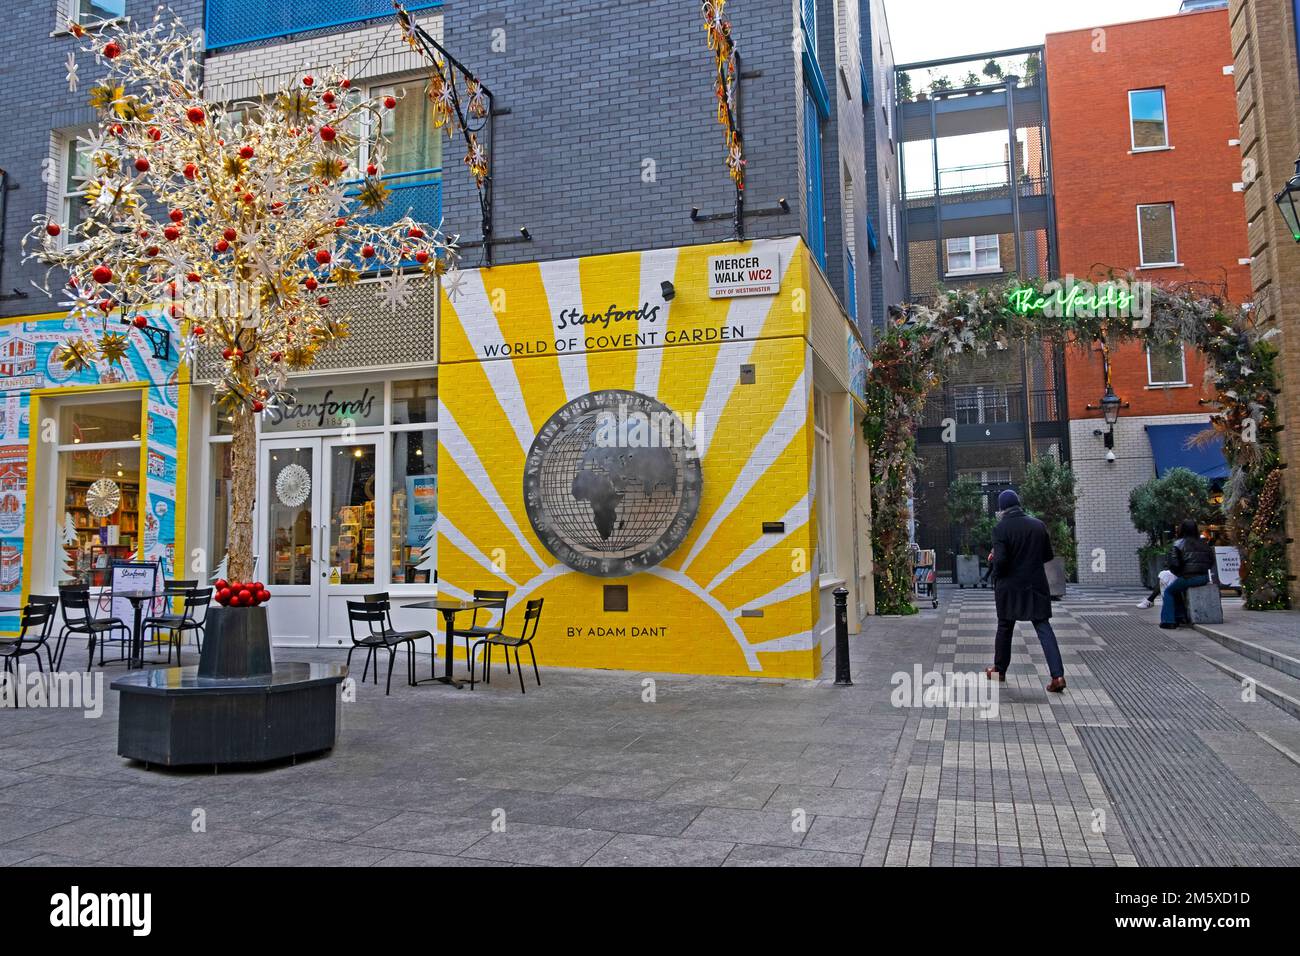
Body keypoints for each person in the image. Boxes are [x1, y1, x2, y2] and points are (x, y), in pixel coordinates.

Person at [985, 489, 1066, 693]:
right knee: (1043, 628)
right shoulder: (1038, 525)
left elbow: (1001, 560)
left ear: (1002, 508)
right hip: (1035, 585)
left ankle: (999, 671)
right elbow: (1047, 555)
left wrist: (994, 565)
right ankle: (1058, 676)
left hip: (1009, 588)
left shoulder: (1001, 528)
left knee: (1005, 627)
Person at [1159, 519, 1214, 629]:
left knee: (1169, 591)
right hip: (1203, 577)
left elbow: (1174, 564)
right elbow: (1211, 561)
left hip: (1188, 577)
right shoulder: (1204, 544)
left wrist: (1179, 573)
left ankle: (1168, 620)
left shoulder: (1178, 544)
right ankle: (1180, 616)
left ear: (1181, 530)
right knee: (1176, 590)